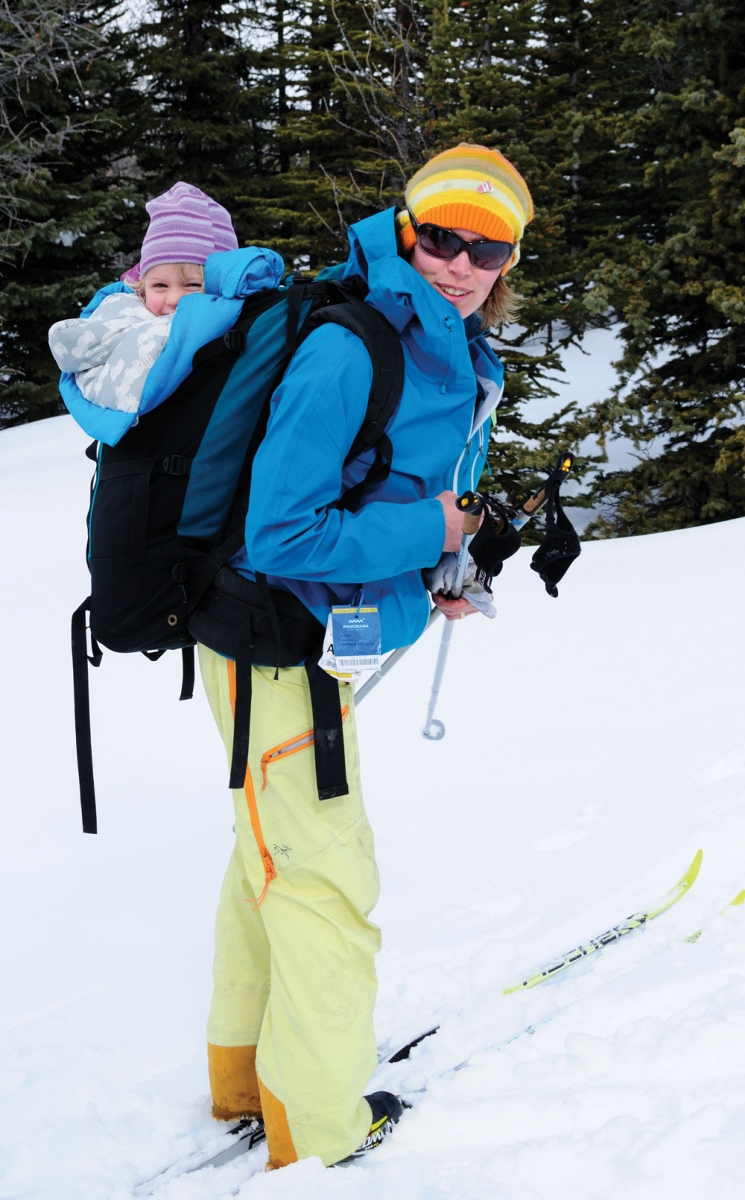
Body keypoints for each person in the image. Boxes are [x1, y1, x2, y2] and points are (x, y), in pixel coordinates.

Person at [196, 142, 534, 1169]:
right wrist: (429, 538)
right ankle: (320, 1124)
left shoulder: (447, 350)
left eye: (488, 247)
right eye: (442, 236)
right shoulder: (352, 346)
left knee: (274, 857)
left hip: (303, 644)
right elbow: (280, 535)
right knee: (326, 885)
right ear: (406, 228)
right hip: (270, 642)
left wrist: (436, 575)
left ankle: (242, 1075)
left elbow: (390, 493)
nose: (459, 264)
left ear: (509, 262)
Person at [48, 182, 241, 413]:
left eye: (193, 285)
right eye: (160, 285)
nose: (175, 298)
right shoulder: (123, 312)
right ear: (142, 288)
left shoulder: (238, 329)